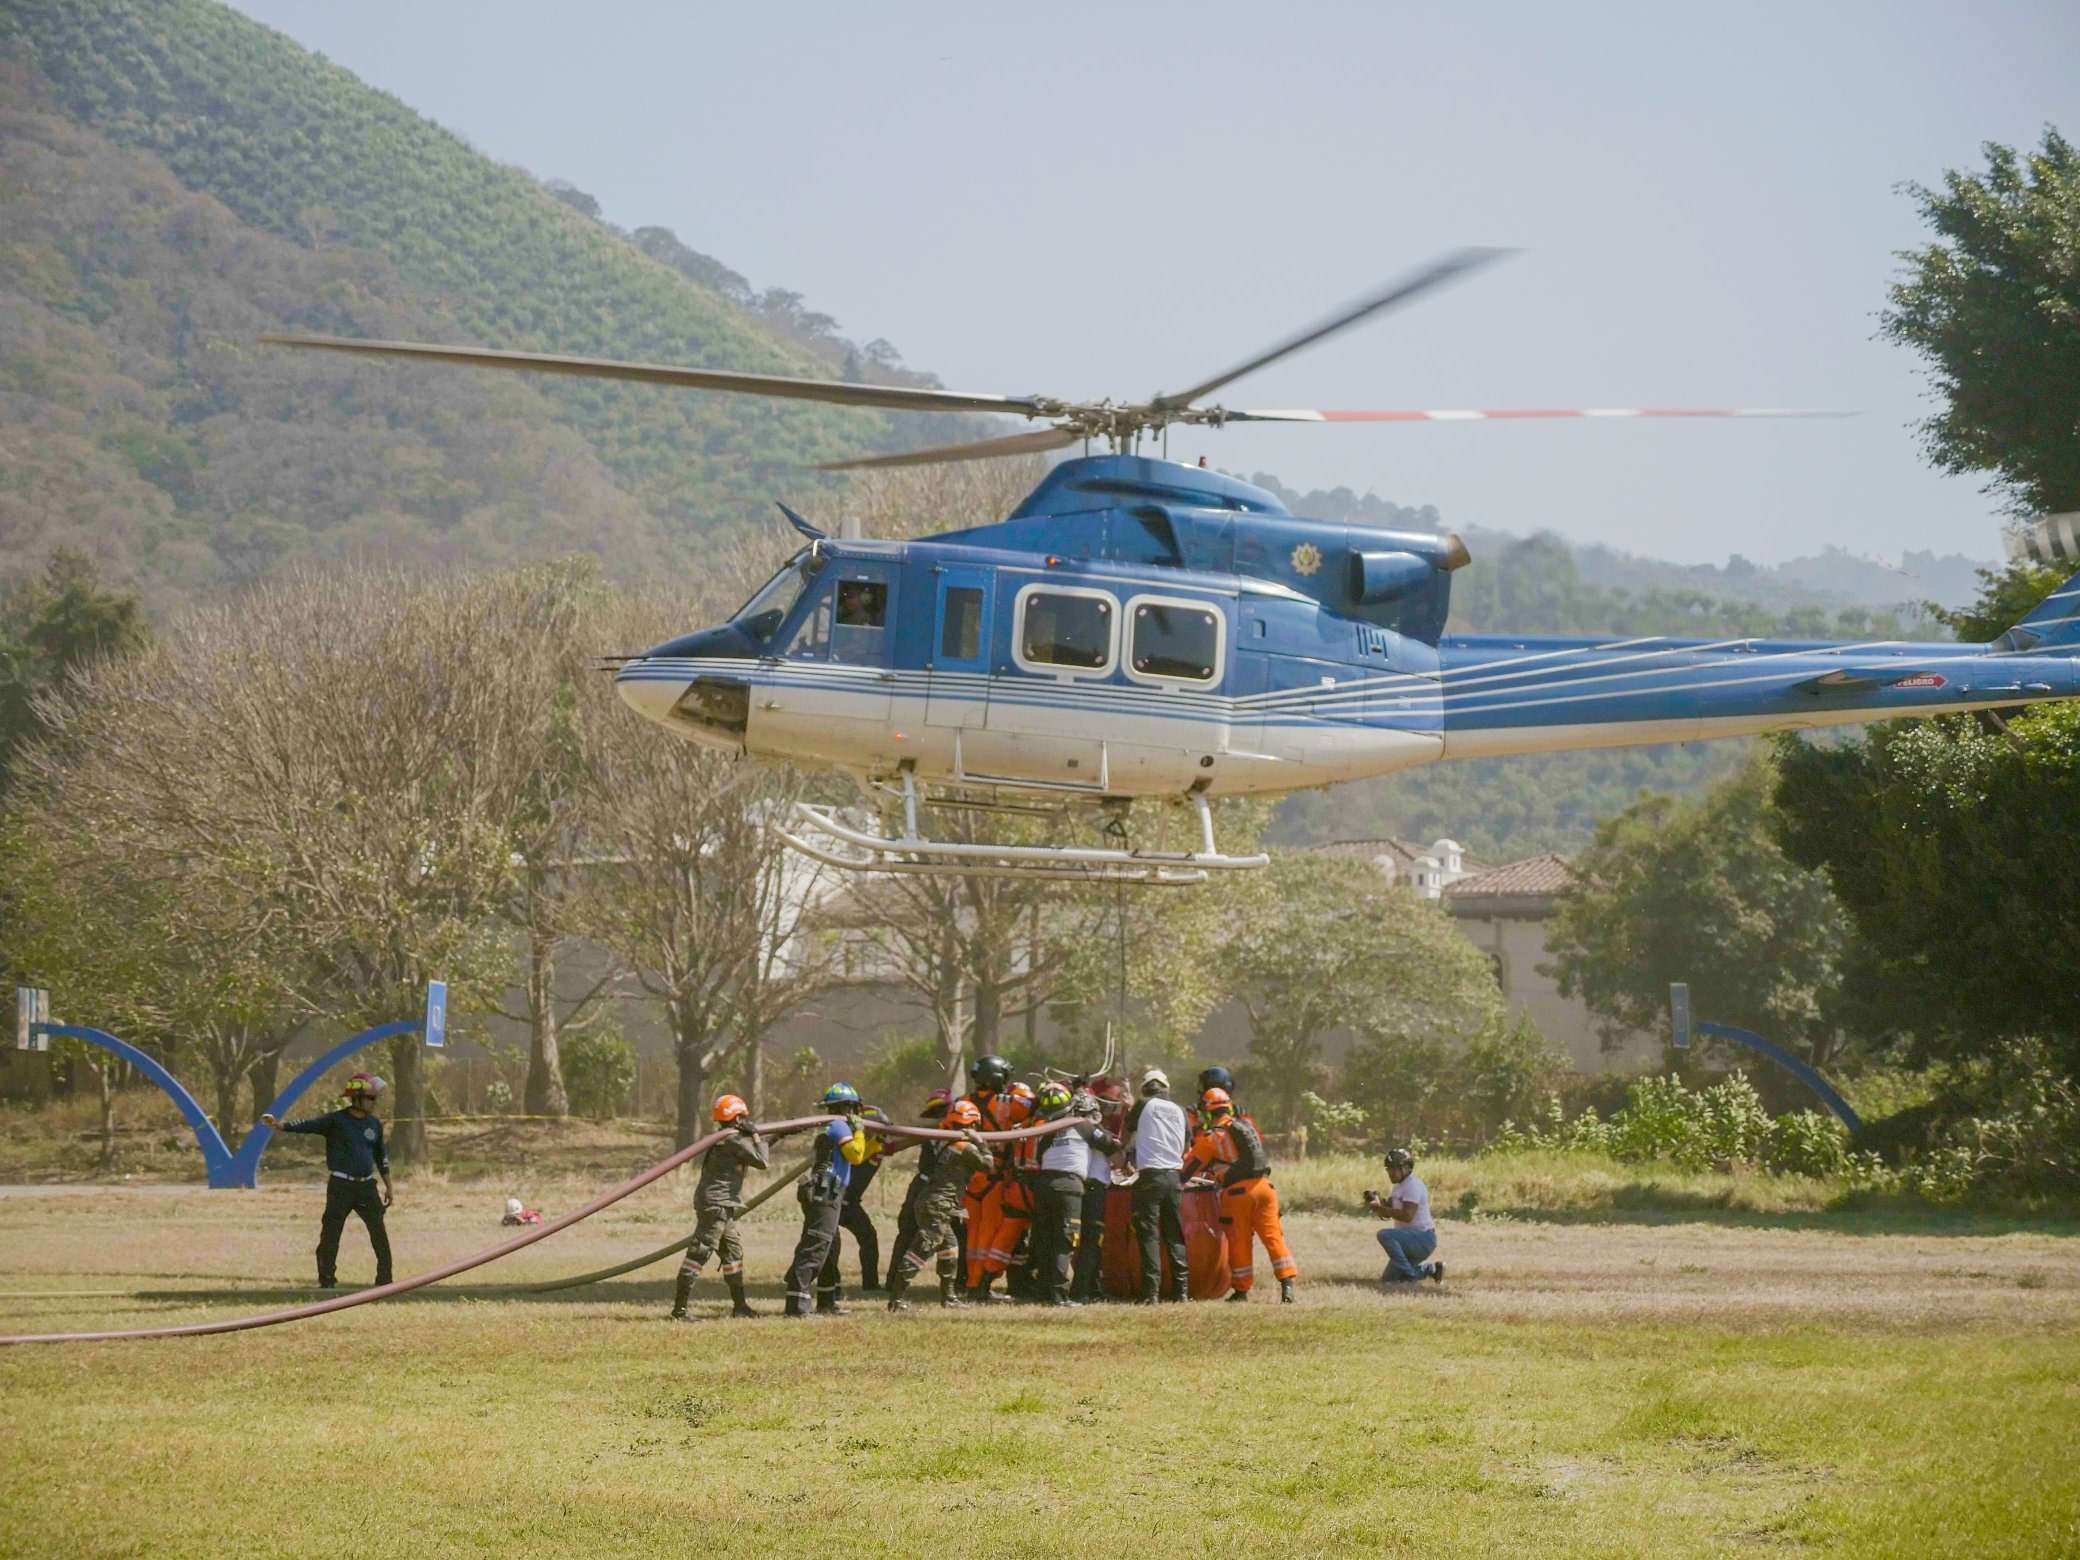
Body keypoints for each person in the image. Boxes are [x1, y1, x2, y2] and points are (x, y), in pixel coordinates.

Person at [261, 1073, 394, 1290]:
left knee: (379, 1233)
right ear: (357, 1098)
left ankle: (385, 1281)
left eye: (375, 1098)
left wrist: (389, 1186)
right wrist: (281, 1125)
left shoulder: (374, 1124)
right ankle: (327, 1281)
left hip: (367, 1187)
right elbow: (308, 1125)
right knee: (331, 1234)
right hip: (341, 1186)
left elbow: (381, 1156)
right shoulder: (336, 1120)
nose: (374, 1103)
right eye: (371, 1098)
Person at [1185, 1087, 1298, 1303]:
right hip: (1266, 1188)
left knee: (1239, 1242)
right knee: (1273, 1237)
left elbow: (1188, 1168)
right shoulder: (1246, 1126)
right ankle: (1287, 1286)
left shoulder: (1212, 1138)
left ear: (1208, 1113)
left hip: (1237, 1194)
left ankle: (1242, 1291)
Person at [885, 1100, 992, 1312]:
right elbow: (988, 1166)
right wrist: (983, 1144)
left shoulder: (949, 1143)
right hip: (938, 1205)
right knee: (922, 1248)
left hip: (936, 1203)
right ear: (973, 1124)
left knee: (950, 1249)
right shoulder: (965, 1147)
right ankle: (896, 1299)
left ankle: (949, 1297)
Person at [670, 1093, 768, 1321]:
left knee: (732, 1253)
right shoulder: (732, 1140)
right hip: (716, 1205)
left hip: (721, 1204)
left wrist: (775, 1137)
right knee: (700, 1252)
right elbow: (762, 1161)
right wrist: (756, 1134)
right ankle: (679, 1311)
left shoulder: (729, 1139)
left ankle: (740, 1306)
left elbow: (755, 1153)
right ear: (738, 1117)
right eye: (742, 1117)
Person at [1029, 1080, 1122, 1307]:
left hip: (1044, 1184)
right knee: (1066, 1240)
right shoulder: (1084, 1126)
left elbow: (1039, 1156)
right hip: (1070, 1186)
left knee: (1047, 1238)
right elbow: (1112, 1146)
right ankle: (1060, 1296)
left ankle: (1044, 1291)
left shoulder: (1047, 1129)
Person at [784, 1082, 872, 1318]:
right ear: (848, 1108)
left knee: (831, 1248)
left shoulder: (835, 1126)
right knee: (816, 1246)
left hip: (831, 1192)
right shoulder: (839, 1126)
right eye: (854, 1109)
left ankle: (827, 1301)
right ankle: (797, 1307)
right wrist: (861, 1131)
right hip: (826, 1193)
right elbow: (856, 1155)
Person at [1122, 1067, 1190, 1303]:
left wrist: (1129, 1105)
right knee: (1174, 1234)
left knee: (1149, 1235)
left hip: (1150, 1177)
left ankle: (1150, 1294)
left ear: (1146, 1088)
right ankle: (1181, 1292)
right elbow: (1186, 1147)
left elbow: (1128, 1127)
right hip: (1174, 1178)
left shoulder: (1143, 1105)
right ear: (1166, 1087)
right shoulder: (1181, 1110)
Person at [886, 1087, 951, 1282]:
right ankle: (954, 1284)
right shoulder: (946, 1128)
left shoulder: (932, 1128)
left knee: (908, 1234)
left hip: (922, 1185)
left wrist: (886, 1148)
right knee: (947, 1238)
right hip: (938, 1190)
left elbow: (901, 1143)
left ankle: (893, 1280)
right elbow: (903, 1142)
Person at [827, 1103, 890, 1292]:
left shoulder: (874, 1144)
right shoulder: (853, 1143)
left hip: (851, 1203)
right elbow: (860, 1155)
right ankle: (832, 1286)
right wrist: (865, 1134)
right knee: (830, 1243)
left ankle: (870, 1284)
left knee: (869, 1238)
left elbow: (893, 1145)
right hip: (836, 1200)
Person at [1369, 1148, 1444, 1284]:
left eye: (1394, 1169)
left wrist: (1381, 1209)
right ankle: (1432, 1269)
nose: (1390, 1173)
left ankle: (1411, 1274)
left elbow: (1407, 1216)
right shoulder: (1399, 1186)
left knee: (1384, 1235)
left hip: (1422, 1239)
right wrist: (1378, 1203)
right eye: (1388, 1169)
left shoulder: (1412, 1185)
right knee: (1390, 1279)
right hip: (1409, 1240)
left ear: (1407, 1168)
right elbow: (1390, 1209)